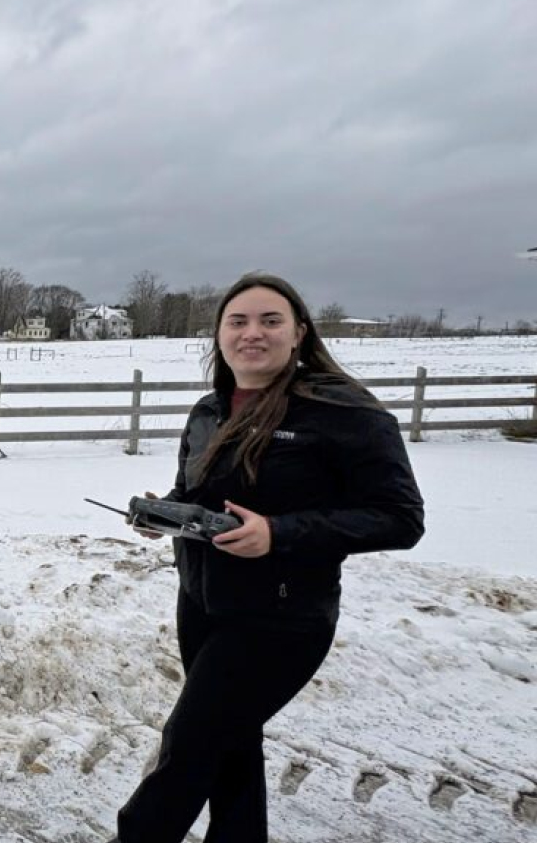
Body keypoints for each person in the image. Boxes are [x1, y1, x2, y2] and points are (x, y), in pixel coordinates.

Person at [110, 272, 425, 843]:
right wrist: (168, 513)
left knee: (187, 749)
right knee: (230, 744)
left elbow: (401, 518)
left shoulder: (342, 412)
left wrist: (277, 534)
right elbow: (199, 493)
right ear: (220, 335)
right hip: (202, 604)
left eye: (269, 320)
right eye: (238, 321)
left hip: (281, 618)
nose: (252, 333)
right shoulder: (209, 409)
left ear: (300, 333)